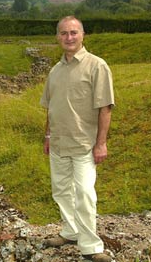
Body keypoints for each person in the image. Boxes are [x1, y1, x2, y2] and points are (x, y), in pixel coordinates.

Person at [40, 16, 115, 262]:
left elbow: (105, 107)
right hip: (59, 143)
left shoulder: (97, 66)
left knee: (84, 193)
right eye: (63, 33)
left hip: (84, 144)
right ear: (57, 37)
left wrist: (101, 143)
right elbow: (50, 107)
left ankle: (91, 247)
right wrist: (48, 135)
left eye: (73, 32)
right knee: (61, 191)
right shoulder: (55, 71)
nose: (68, 38)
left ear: (82, 35)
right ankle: (70, 231)